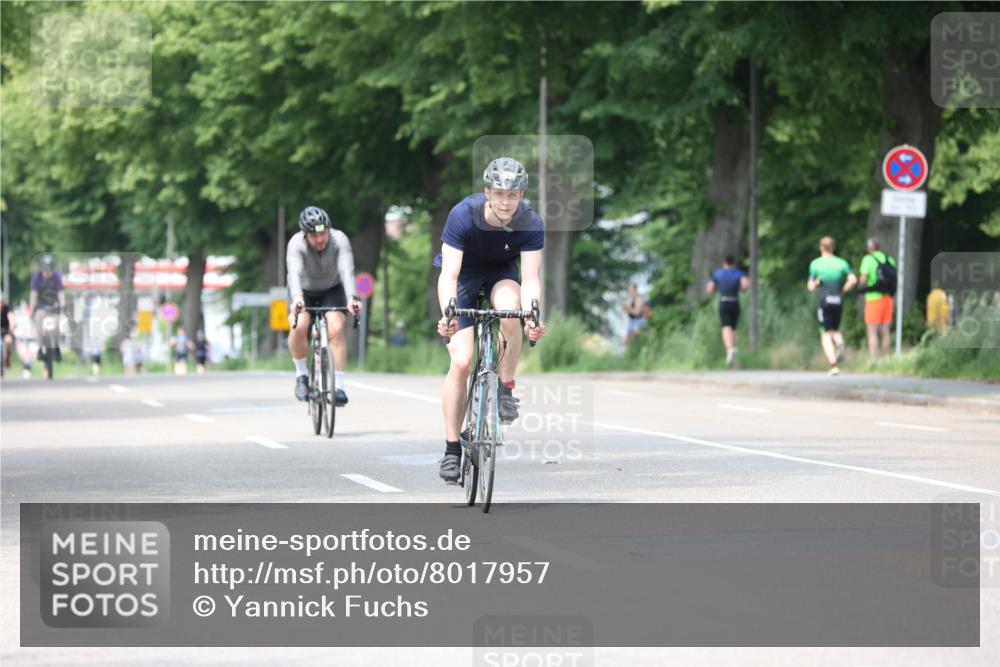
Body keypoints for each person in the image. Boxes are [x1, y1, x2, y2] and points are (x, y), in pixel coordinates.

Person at [434, 157, 547, 483]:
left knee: (512, 310)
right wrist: (449, 313)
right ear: (487, 192)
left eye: (513, 195)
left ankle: (506, 387)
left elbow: (531, 279)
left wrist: (533, 315)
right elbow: (449, 274)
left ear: (521, 195)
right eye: (499, 194)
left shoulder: (530, 222)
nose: (506, 202)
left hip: (501, 275)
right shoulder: (463, 215)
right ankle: (452, 450)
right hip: (463, 277)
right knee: (462, 362)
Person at [286, 205, 361, 405]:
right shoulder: (296, 244)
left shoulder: (339, 240)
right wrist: (297, 298)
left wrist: (352, 298)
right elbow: (294, 274)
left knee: (336, 327)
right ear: (305, 235)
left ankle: (339, 387)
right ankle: (302, 375)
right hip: (304, 291)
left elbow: (347, 271)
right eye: (314, 236)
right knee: (299, 325)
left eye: (323, 234)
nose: (320, 240)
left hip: (331, 289)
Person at [807, 236, 857, 376]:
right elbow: (853, 280)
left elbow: (810, 287)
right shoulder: (841, 263)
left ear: (821, 248)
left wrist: (816, 283)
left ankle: (833, 363)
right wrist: (844, 290)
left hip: (825, 301)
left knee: (825, 333)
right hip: (839, 300)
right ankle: (840, 343)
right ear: (833, 247)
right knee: (835, 330)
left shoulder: (816, 264)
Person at [706, 255, 749, 367]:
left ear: (724, 262)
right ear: (733, 262)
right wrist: (739, 289)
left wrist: (716, 289)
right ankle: (733, 349)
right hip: (735, 302)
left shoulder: (718, 273)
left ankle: (729, 350)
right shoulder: (738, 273)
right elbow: (745, 285)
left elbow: (710, 289)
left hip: (724, 302)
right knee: (734, 328)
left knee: (726, 326)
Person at [857, 237, 897, 358]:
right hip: (888, 299)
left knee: (872, 331)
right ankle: (885, 359)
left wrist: (861, 285)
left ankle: (873, 360)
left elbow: (863, 279)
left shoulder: (868, 259)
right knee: (885, 331)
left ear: (869, 247)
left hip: (874, 299)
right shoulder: (888, 258)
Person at [29, 254, 66, 379]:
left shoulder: (57, 276)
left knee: (56, 324)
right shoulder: (36, 277)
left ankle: (56, 346)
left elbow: (61, 293)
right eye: (44, 269)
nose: (46, 272)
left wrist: (62, 306)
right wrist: (31, 309)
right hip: (41, 305)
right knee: (39, 320)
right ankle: (40, 348)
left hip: (54, 305)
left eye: (49, 270)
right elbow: (33, 294)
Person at [1, 292, 11, 377]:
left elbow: (11, 317)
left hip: (5, 331)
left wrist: (12, 324)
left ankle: (7, 358)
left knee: (9, 341)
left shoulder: (6, 309)